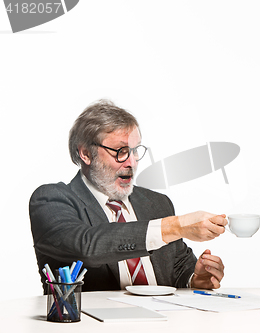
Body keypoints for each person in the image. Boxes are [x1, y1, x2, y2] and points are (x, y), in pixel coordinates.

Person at [30, 99, 226, 292]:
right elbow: (86, 246)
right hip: (92, 321)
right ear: (86, 154)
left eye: (135, 150)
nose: (132, 162)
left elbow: (178, 268)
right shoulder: (51, 199)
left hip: (164, 320)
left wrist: (195, 278)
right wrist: (174, 226)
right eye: (121, 151)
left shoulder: (157, 203)